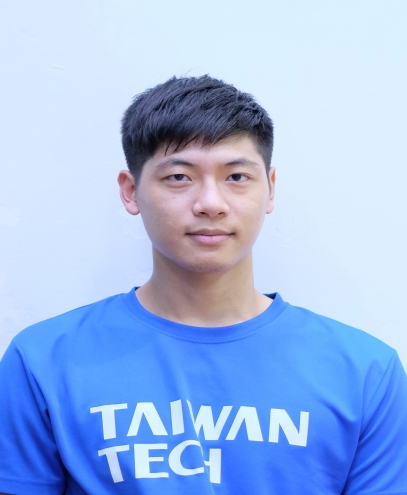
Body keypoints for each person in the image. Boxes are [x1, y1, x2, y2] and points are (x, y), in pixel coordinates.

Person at [0, 75, 406, 495]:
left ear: (270, 189)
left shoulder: (366, 372)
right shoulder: (43, 361)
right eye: (179, 176)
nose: (211, 203)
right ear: (131, 191)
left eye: (237, 177)